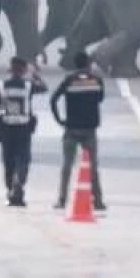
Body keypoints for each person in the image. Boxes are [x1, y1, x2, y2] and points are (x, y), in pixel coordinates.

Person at [50, 51, 106, 211]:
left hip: (71, 128)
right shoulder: (97, 80)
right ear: (88, 64)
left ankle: (62, 200)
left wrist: (59, 119)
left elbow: (53, 99)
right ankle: (98, 201)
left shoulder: (69, 80)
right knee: (93, 167)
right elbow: (100, 99)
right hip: (89, 129)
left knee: (67, 166)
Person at [0, 56, 46, 207]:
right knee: (23, 159)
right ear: (24, 70)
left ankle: (11, 190)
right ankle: (18, 181)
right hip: (23, 129)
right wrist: (35, 74)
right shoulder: (28, 85)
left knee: (8, 161)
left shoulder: (2, 86)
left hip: (5, 129)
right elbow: (44, 87)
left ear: (11, 69)